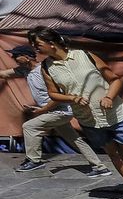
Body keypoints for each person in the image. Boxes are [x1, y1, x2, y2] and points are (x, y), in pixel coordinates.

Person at [32, 26, 123, 199]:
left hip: (115, 114)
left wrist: (109, 96)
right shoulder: (47, 67)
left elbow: (114, 79)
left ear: (52, 43)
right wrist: (72, 98)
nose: (35, 48)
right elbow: (53, 93)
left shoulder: (84, 55)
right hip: (89, 119)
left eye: (38, 44)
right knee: (114, 154)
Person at [11, 43, 106, 175]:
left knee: (30, 126)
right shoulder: (24, 70)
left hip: (61, 111)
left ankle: (34, 161)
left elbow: (58, 97)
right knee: (74, 139)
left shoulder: (43, 71)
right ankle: (100, 167)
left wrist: (42, 110)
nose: (13, 58)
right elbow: (4, 74)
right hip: (53, 112)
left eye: (16, 56)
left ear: (27, 57)